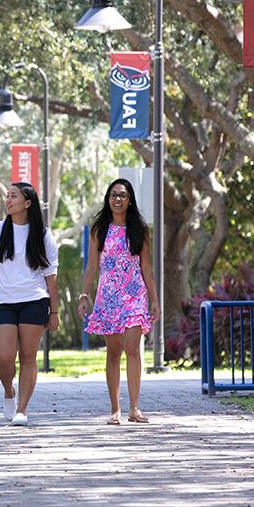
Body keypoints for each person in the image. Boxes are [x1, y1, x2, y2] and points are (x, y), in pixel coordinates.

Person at [78, 178, 160, 425]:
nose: (117, 199)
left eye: (122, 195)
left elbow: (146, 266)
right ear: (108, 199)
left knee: (132, 348)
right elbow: (92, 265)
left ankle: (134, 408)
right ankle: (115, 409)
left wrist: (154, 299)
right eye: (113, 195)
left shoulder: (140, 230)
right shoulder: (99, 229)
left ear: (130, 199)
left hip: (134, 294)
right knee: (113, 352)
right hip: (109, 296)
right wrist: (85, 295)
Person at [0, 182, 60, 426]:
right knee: (4, 357)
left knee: (27, 356)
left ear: (27, 203)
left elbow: (51, 276)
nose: (8, 200)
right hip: (4, 301)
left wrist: (54, 311)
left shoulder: (43, 235)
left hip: (34, 300)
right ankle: (8, 391)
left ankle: (22, 410)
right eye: (7, 196)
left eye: (13, 196)